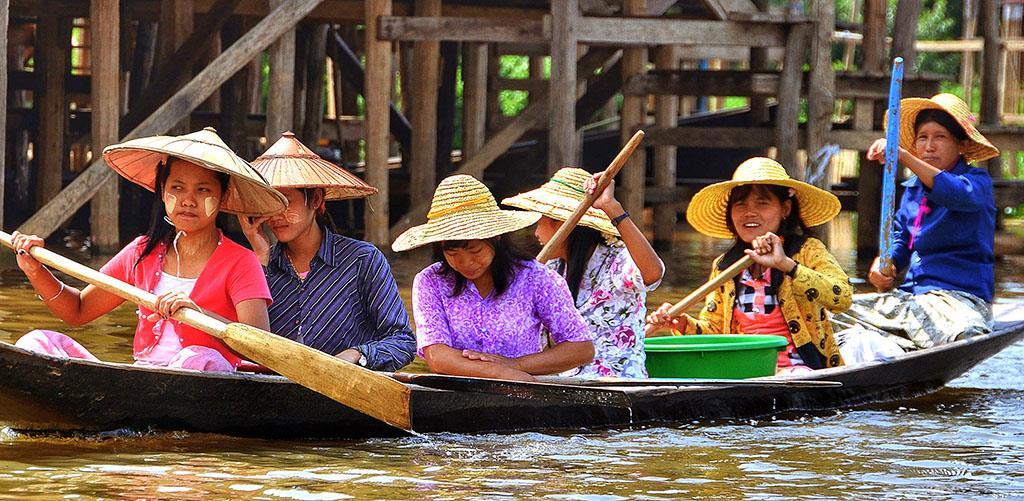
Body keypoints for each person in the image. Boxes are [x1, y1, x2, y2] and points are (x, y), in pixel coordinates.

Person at [12, 127, 287, 372]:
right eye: (177, 188)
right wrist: (35, 271)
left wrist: (200, 314)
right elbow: (77, 310)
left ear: (222, 196)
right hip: (143, 375)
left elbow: (260, 349)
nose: (188, 201)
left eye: (203, 190)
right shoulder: (142, 251)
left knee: (195, 357)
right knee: (36, 342)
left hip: (205, 375)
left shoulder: (241, 261)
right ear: (163, 192)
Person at [647, 157, 852, 372]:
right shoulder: (725, 266)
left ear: (785, 209)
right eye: (740, 203)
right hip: (744, 370)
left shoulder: (808, 251)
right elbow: (716, 332)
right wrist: (681, 324)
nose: (749, 212)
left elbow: (842, 297)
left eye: (762, 203)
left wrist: (786, 265)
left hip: (800, 368)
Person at [832, 93, 999, 357]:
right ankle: (898, 342)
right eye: (923, 137)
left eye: (940, 137)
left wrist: (904, 157)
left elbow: (955, 193)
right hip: (912, 300)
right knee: (828, 313)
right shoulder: (911, 191)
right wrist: (885, 265)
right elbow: (903, 240)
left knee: (964, 332)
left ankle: (906, 341)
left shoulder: (976, 183)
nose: (929, 146)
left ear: (962, 144)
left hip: (958, 301)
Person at [239, 132, 416, 371]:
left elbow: (402, 342)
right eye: (271, 203)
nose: (277, 214)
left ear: (316, 201)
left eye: (286, 201)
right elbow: (246, 343)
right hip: (276, 395)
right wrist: (259, 257)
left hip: (345, 397)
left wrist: (357, 354)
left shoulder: (362, 260)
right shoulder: (258, 265)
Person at [392, 174, 594, 382]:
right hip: (456, 396)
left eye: (476, 251)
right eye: (453, 255)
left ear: (496, 238)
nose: (466, 263)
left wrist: (517, 364)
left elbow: (581, 348)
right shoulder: (430, 281)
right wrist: (499, 372)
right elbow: (438, 357)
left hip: (523, 394)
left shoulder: (535, 277)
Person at [502, 168, 664, 378]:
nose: (536, 232)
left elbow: (653, 273)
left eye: (541, 221)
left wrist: (612, 208)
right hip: (564, 384)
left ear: (561, 224)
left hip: (615, 385)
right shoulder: (550, 270)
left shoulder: (615, 259)